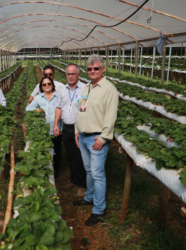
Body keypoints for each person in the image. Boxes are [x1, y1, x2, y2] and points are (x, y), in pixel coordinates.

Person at [73, 54, 119, 226]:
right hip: (84, 136)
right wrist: (77, 130)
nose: (92, 71)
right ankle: (89, 197)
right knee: (89, 170)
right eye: (90, 69)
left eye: (96, 68)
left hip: (96, 137)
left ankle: (99, 209)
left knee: (98, 173)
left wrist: (103, 138)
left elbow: (110, 116)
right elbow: (81, 110)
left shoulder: (109, 89)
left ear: (103, 69)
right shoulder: (86, 88)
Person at [53, 64, 86, 197]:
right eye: (68, 74)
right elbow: (59, 107)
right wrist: (56, 124)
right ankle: (74, 180)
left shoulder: (84, 89)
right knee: (71, 155)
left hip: (80, 128)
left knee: (81, 156)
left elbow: (85, 109)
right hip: (66, 127)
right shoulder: (62, 90)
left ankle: (82, 185)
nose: (70, 76)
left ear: (78, 74)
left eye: (73, 74)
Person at [26, 76, 63, 175]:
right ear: (41, 87)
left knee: (57, 150)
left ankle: (55, 171)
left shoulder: (59, 96)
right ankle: (46, 170)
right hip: (44, 131)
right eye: (44, 84)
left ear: (52, 85)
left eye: (49, 84)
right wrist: (35, 109)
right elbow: (27, 108)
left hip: (56, 129)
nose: (47, 86)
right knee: (46, 150)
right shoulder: (38, 98)